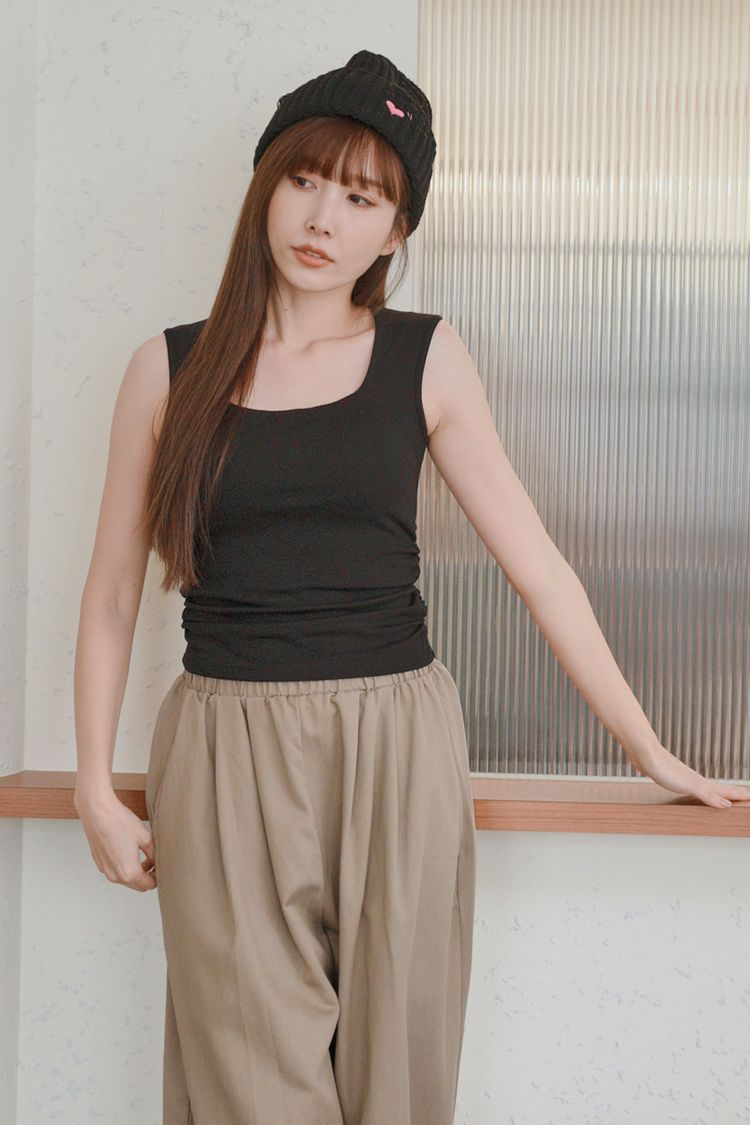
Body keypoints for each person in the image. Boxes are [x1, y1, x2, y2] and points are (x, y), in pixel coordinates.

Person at [73, 49, 750, 1125]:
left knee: (400, 1079)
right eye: (304, 180)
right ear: (264, 187)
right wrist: (93, 789)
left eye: (361, 198)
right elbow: (113, 596)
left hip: (398, 744)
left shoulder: (426, 358)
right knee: (249, 1083)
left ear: (396, 232)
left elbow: (539, 569)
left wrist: (650, 748)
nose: (321, 219)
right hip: (222, 744)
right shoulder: (166, 369)